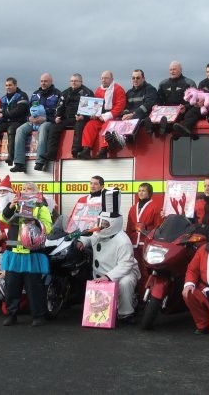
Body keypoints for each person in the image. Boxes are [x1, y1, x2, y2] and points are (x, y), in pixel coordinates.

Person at [77, 189, 140, 324]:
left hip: (122, 273)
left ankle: (126, 313)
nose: (101, 226)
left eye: (105, 224)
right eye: (101, 222)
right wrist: (82, 241)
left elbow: (126, 265)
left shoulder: (123, 241)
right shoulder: (100, 233)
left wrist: (109, 276)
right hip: (102, 273)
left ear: (113, 224)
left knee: (125, 282)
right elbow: (91, 239)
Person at [0, 182, 53, 327]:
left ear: (36, 192)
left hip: (32, 252)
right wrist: (11, 206)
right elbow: (3, 219)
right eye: (23, 189)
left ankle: (38, 316)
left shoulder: (41, 206)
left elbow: (48, 226)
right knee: (11, 286)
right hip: (14, 252)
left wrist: (34, 221)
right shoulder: (14, 204)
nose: (26, 191)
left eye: (29, 189)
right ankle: (11, 314)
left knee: (34, 286)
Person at [37, 73, 93, 168]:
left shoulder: (87, 92)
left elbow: (91, 110)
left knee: (79, 127)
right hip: (66, 118)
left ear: (81, 82)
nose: (73, 83)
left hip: (80, 118)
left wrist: (83, 117)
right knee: (54, 127)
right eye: (71, 81)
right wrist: (57, 117)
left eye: (75, 81)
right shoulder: (65, 92)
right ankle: (51, 153)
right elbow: (60, 106)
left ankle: (76, 151)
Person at [10, 73, 60, 173]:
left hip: (47, 122)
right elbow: (29, 110)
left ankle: (40, 162)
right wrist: (29, 117)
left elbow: (59, 111)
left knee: (43, 129)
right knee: (20, 130)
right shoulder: (35, 94)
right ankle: (19, 163)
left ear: (51, 81)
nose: (43, 83)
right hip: (33, 121)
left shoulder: (57, 94)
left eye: (45, 81)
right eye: (42, 81)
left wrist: (46, 119)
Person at [99, 69, 157, 155]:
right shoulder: (129, 92)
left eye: (138, 78)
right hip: (129, 118)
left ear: (143, 78)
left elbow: (148, 105)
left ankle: (122, 139)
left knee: (135, 119)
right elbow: (126, 107)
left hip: (143, 117)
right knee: (115, 121)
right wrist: (125, 114)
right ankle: (112, 141)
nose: (135, 80)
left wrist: (133, 114)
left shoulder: (150, 89)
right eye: (133, 78)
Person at [173, 63, 209, 136]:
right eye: (207, 72)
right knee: (195, 109)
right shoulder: (203, 83)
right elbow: (198, 97)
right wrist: (186, 107)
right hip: (207, 109)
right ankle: (186, 126)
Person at [77, 71, 126, 159]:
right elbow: (95, 106)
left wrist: (107, 115)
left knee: (108, 126)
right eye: (102, 78)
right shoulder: (98, 90)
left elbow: (120, 106)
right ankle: (86, 149)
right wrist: (93, 114)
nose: (104, 80)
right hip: (100, 117)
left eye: (106, 78)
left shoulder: (119, 89)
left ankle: (104, 149)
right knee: (89, 125)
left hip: (114, 116)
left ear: (112, 79)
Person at [125, 182, 161, 296]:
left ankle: (144, 296)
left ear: (149, 193)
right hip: (133, 245)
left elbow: (158, 227)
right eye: (139, 190)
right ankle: (133, 294)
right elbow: (129, 226)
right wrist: (127, 241)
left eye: (143, 190)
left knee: (145, 271)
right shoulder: (133, 208)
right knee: (133, 270)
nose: (140, 192)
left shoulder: (155, 207)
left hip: (146, 244)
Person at [144, 61, 196, 135]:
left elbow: (194, 101)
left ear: (180, 70)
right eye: (170, 70)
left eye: (174, 69)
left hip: (181, 111)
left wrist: (186, 107)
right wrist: (156, 105)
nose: (172, 71)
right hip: (166, 111)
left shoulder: (189, 83)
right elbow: (159, 100)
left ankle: (165, 129)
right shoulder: (163, 84)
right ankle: (152, 129)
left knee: (171, 119)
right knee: (149, 118)